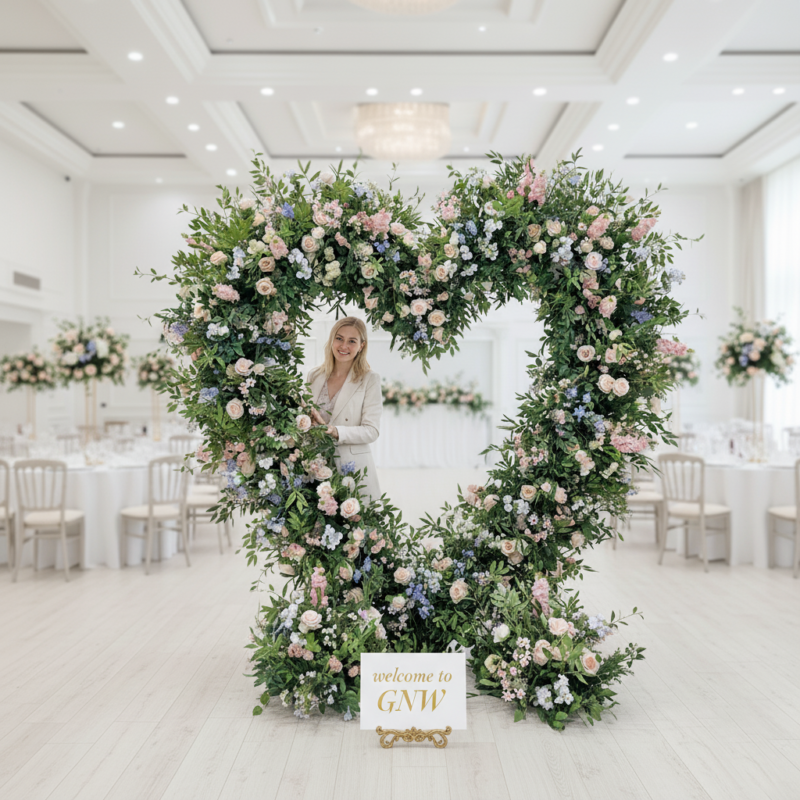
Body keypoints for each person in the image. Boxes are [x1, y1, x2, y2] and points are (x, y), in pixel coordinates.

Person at [306, 316, 382, 502]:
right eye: (339, 338)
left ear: (361, 346)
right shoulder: (314, 375)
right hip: (315, 467)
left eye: (352, 341)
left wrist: (335, 431)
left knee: (356, 520)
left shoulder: (370, 379)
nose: (344, 346)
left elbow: (372, 431)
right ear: (332, 340)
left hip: (352, 469)